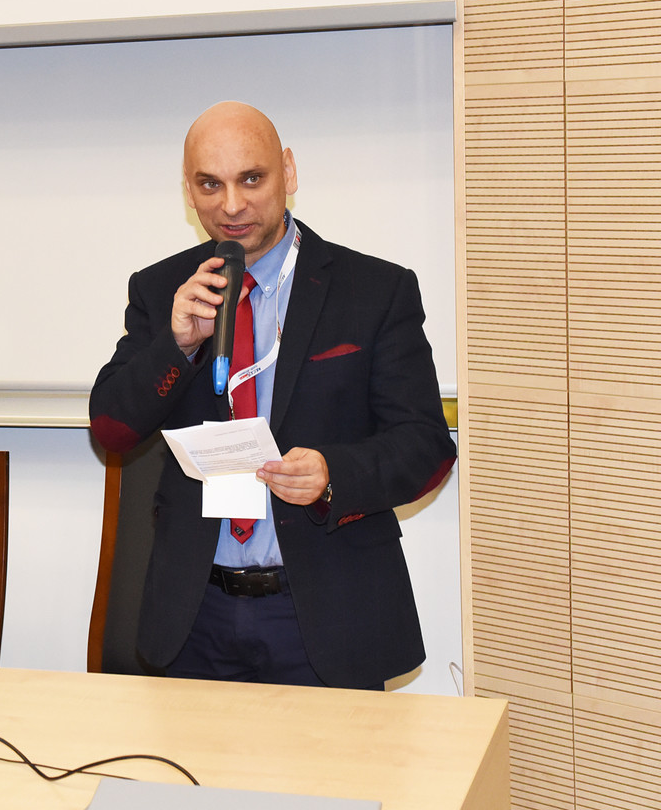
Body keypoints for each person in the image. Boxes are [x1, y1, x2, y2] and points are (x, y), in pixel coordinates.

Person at [89, 102, 455, 689]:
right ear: (188, 189)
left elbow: (427, 447)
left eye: (251, 179)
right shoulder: (162, 291)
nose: (232, 206)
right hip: (196, 613)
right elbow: (111, 429)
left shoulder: (374, 290)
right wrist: (176, 345)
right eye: (210, 184)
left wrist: (333, 473)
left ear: (288, 171)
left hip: (325, 613)